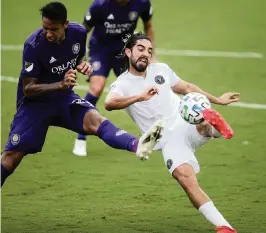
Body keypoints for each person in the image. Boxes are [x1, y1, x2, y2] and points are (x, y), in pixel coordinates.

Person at [0, 3, 164, 187]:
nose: (48, 34)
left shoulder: (78, 33)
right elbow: (28, 88)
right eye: (45, 28)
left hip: (63, 98)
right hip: (35, 105)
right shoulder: (34, 45)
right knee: (10, 159)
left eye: (53, 29)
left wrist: (82, 63)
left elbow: (78, 56)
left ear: (65, 24)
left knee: (97, 121)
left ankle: (139, 145)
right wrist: (60, 84)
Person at [104, 32, 240, 233]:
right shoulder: (122, 83)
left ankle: (210, 124)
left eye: (149, 51)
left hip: (184, 121)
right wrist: (139, 97)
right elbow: (109, 103)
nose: (145, 54)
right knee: (185, 179)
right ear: (128, 52)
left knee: (197, 117)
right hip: (166, 139)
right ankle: (224, 227)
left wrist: (218, 99)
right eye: (140, 49)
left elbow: (186, 87)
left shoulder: (161, 70)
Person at [73, 0, 155, 156]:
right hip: (100, 50)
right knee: (97, 87)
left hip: (124, 53)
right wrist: (80, 57)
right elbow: (82, 30)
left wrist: (151, 54)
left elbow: (148, 25)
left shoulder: (141, 3)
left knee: (138, 90)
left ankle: (152, 132)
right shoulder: (99, 5)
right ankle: (81, 137)